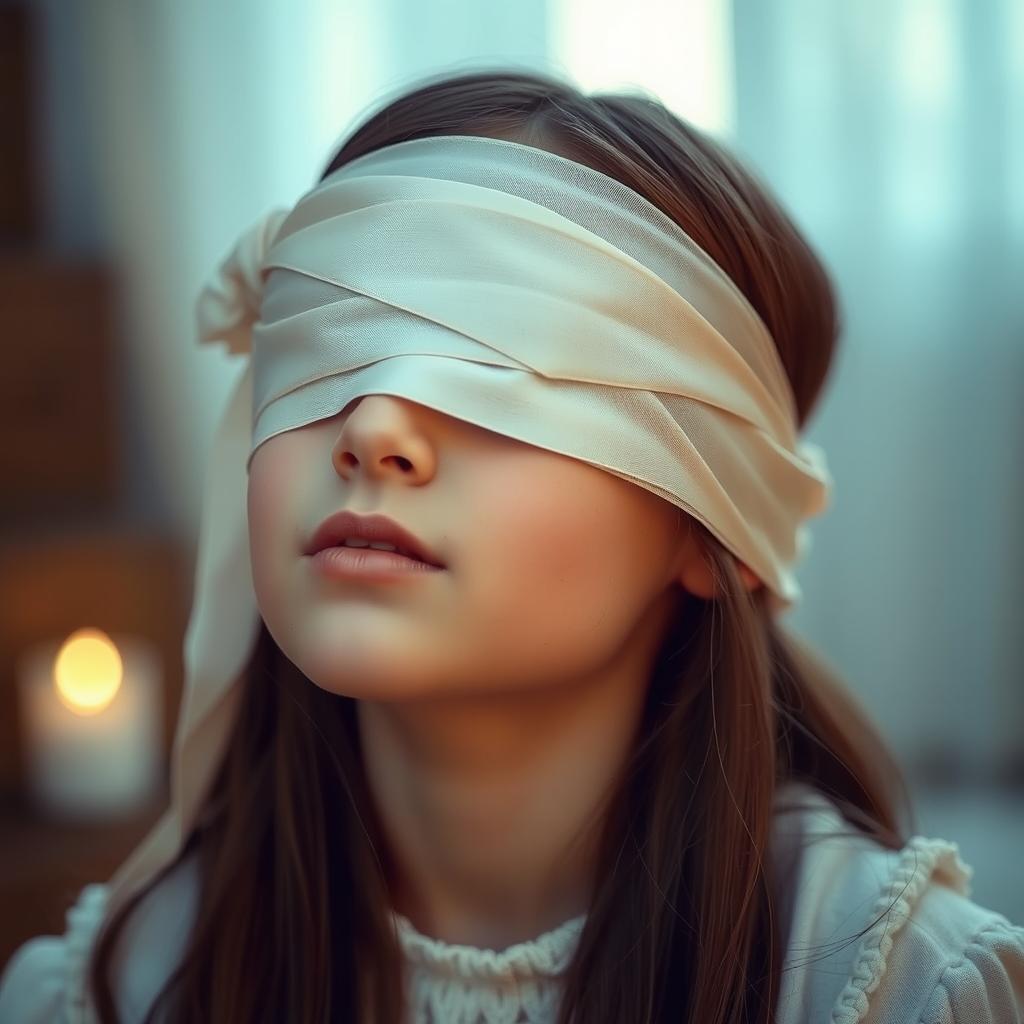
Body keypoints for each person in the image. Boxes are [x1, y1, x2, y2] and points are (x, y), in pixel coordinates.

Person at [1, 68, 1021, 1024]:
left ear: (717, 520)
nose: (372, 429)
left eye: (498, 366)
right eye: (329, 341)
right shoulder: (123, 985)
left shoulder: (888, 988)